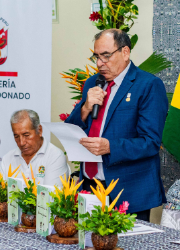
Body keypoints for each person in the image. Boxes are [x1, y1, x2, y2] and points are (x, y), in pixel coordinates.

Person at [65, 29, 168, 221]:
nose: (99, 64)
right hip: (89, 186)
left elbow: (150, 142)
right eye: (96, 57)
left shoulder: (148, 85)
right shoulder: (91, 84)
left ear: (125, 52)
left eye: (106, 56)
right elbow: (72, 129)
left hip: (128, 190)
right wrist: (86, 107)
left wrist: (109, 146)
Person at [2, 109, 69, 185]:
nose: (21, 142)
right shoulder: (7, 158)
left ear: (39, 130)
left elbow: (51, 195)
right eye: (16, 136)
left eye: (26, 135)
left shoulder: (55, 156)